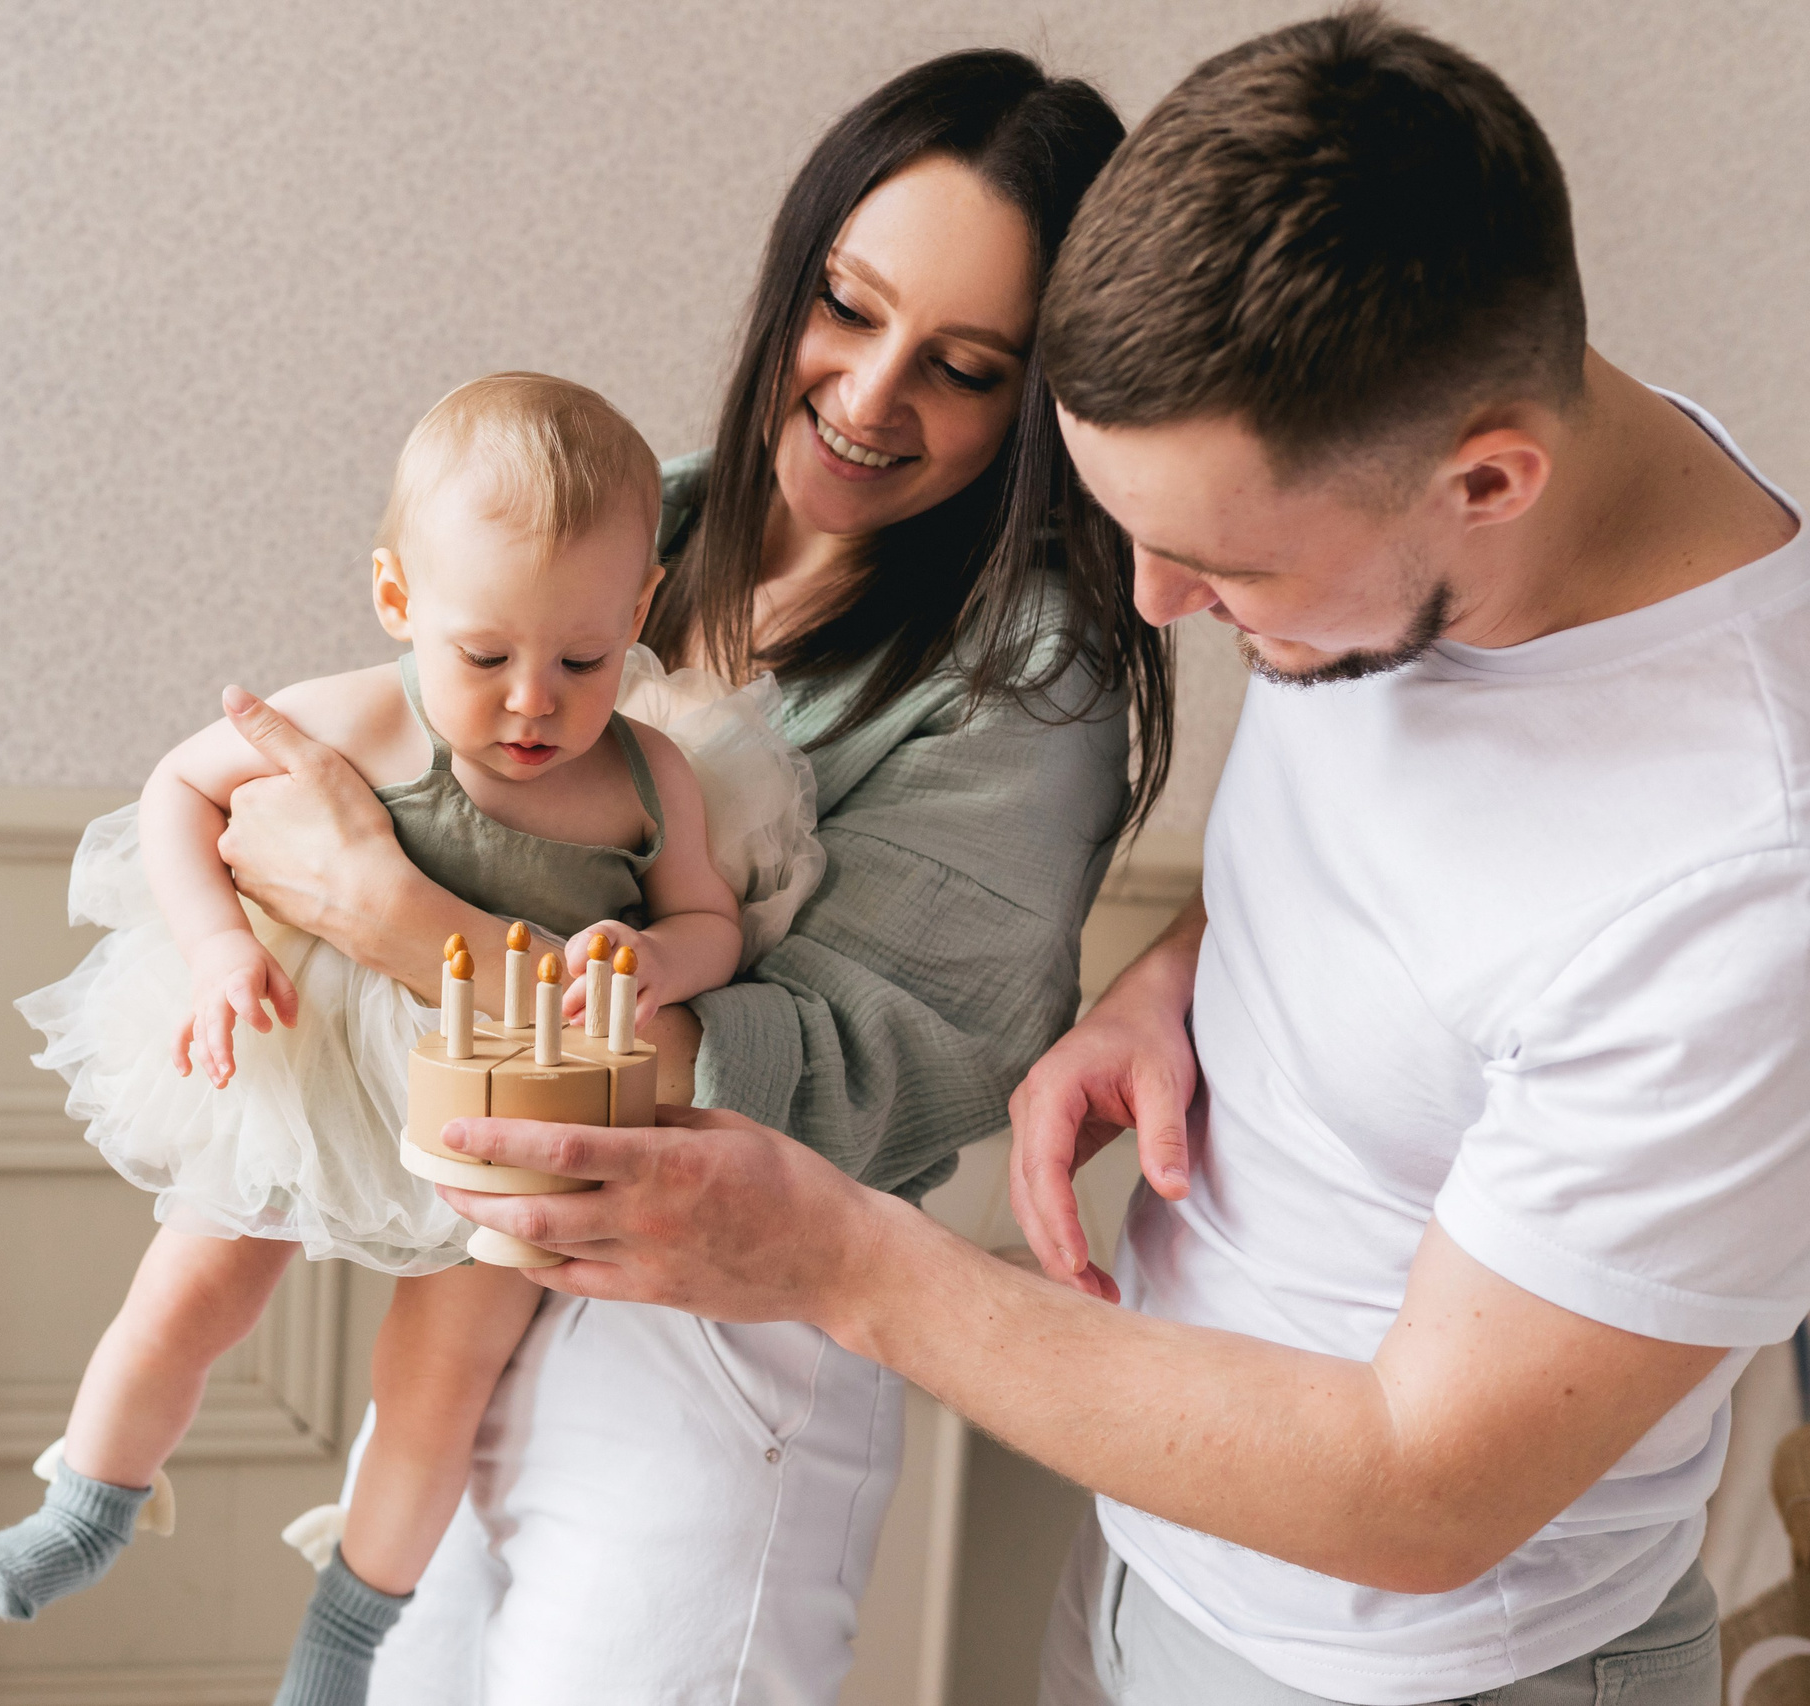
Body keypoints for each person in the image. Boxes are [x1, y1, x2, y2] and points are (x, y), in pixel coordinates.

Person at [432, 11, 1810, 1706]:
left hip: (1413, 1662)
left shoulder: (1746, 879)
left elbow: (1423, 1490)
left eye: (1218, 570)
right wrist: (1177, 977)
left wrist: (848, 1260)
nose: (1158, 610)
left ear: (1490, 479)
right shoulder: (1452, 472)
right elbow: (1438, 898)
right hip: (1155, 1563)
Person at [208, 50, 1170, 1703]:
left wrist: (400, 916)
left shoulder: (1034, 679)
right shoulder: (649, 524)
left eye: (962, 366)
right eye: (848, 309)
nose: (869, 398)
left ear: (1041, 402)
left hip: (717, 1331)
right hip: (481, 1248)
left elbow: (841, 1088)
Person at [0, 372, 802, 1706]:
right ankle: (89, 1498)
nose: (534, 700)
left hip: (507, 1103)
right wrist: (223, 948)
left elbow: (712, 923)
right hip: (317, 1051)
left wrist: (657, 957)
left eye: (581, 660)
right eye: (485, 655)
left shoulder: (649, 777)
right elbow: (179, 788)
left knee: (437, 1374)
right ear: (400, 601)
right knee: (197, 1283)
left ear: (635, 615)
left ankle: (346, 1634)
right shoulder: (358, 716)